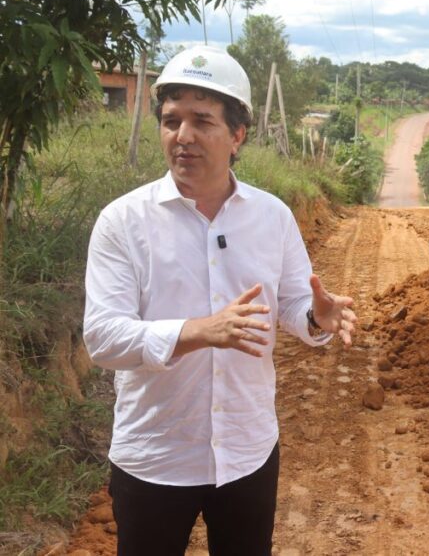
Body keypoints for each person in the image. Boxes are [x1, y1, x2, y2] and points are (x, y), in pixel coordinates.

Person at [83, 45, 357, 556]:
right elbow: (102, 338)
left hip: (248, 453)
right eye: (170, 120)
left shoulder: (272, 216)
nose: (182, 136)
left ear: (237, 135)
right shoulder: (123, 222)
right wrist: (197, 331)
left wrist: (316, 318)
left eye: (201, 121)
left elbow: (296, 303)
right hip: (155, 459)